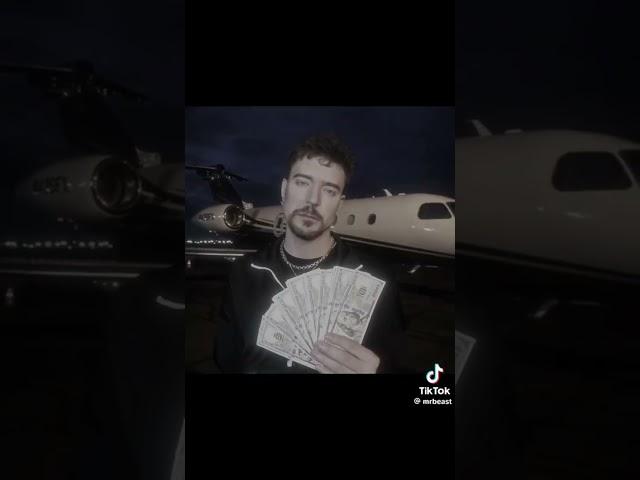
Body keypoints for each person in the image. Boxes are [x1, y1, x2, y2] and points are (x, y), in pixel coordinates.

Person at [214, 134, 406, 373]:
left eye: (329, 190)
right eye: (303, 183)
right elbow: (226, 360)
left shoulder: (377, 278)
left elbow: (397, 362)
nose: (313, 200)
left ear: (339, 204)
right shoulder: (243, 272)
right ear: (284, 190)